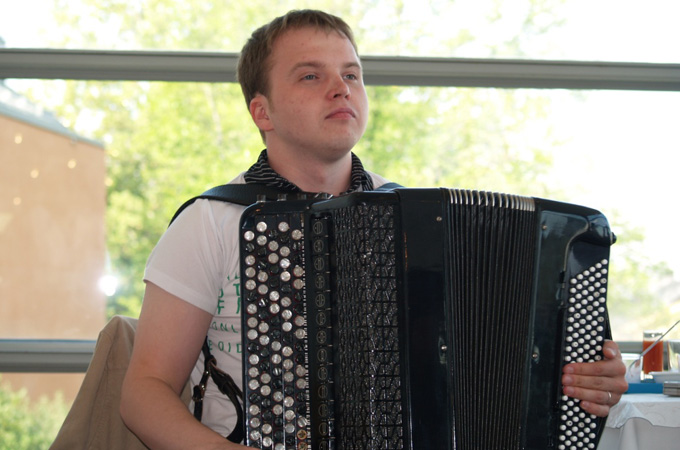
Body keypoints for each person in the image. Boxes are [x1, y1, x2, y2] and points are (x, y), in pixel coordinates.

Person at [120, 9, 628, 449]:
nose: (341, 87)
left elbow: (492, 361)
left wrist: (585, 381)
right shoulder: (211, 221)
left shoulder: (421, 223)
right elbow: (144, 393)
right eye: (310, 76)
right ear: (262, 111)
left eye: (352, 74)